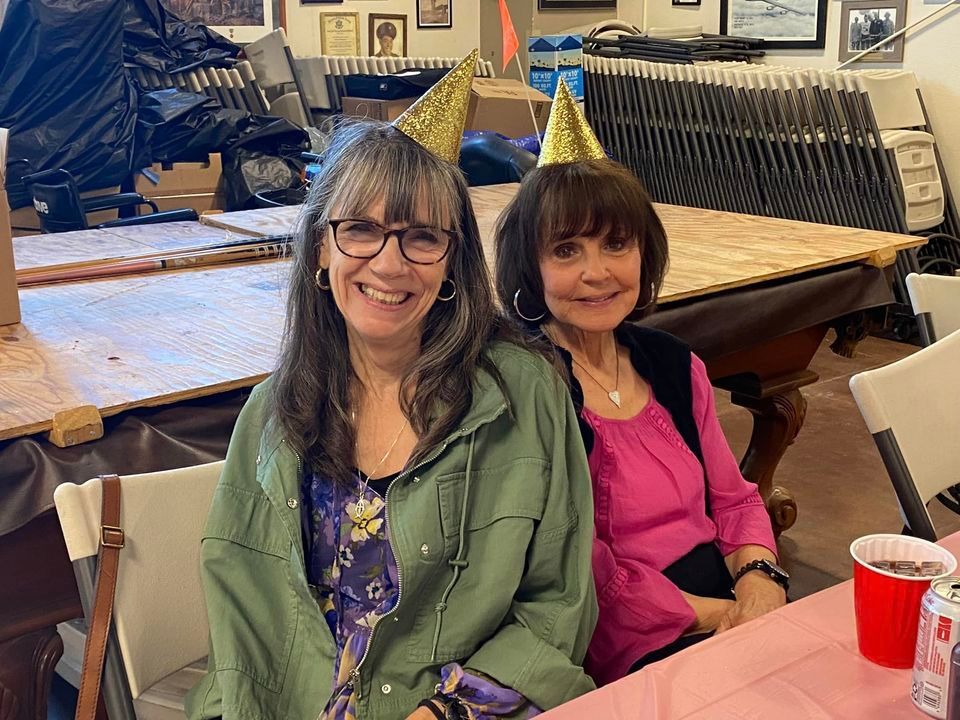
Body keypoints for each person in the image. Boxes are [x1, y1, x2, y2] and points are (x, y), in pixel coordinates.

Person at [186, 53, 597, 720]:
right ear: (322, 248)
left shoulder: (523, 396)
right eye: (362, 230)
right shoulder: (273, 414)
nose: (389, 263)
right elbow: (239, 623)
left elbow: (559, 604)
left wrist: (446, 712)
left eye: (421, 237)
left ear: (452, 263)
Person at [494, 79, 785, 688]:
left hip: (722, 591)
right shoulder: (530, 387)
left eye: (616, 244)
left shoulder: (674, 364)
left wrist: (760, 578)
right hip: (619, 633)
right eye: (566, 250)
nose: (597, 273)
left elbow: (732, 498)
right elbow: (582, 567)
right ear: (531, 266)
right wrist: (720, 615)